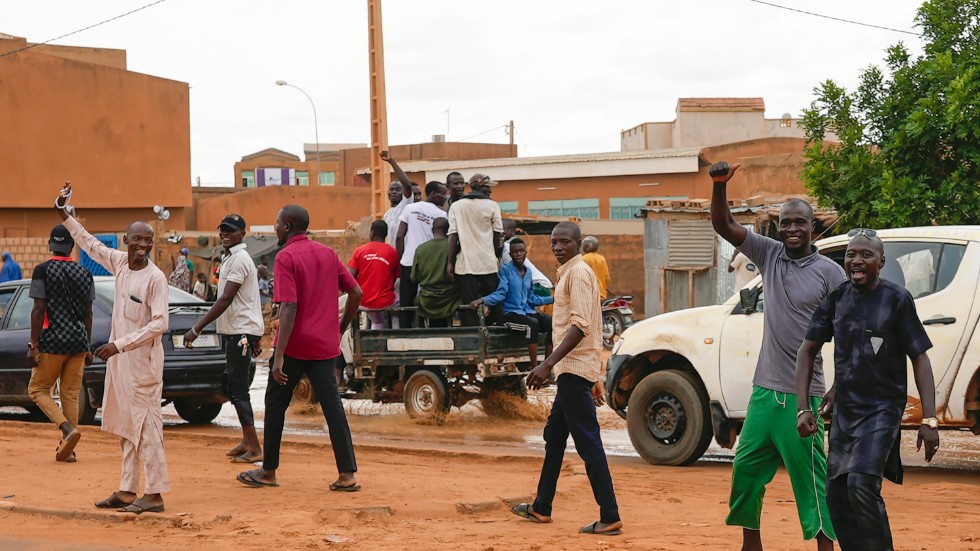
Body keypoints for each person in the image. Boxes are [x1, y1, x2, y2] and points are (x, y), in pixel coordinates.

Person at [710, 162, 843, 551]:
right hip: (764, 393)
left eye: (799, 223)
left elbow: (850, 334)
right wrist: (719, 186)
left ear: (812, 227)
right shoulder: (770, 255)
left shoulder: (829, 274)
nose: (791, 230)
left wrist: (837, 387)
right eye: (785, 223)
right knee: (746, 471)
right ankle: (751, 545)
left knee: (811, 485)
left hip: (803, 399)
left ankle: (825, 548)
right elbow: (723, 225)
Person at [796, 229, 939, 551]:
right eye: (851, 254)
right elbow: (806, 350)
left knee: (861, 486)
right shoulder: (837, 298)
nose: (856, 260)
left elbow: (920, 357)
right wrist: (804, 407)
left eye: (866, 255)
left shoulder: (897, 299)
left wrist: (930, 419)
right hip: (845, 412)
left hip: (882, 410)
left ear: (881, 262)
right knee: (837, 495)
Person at [55, 182, 170, 515]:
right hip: (121, 366)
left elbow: (159, 323)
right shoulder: (119, 263)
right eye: (137, 239)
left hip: (143, 366)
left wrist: (118, 345)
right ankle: (127, 489)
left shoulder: (155, 278)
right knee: (126, 427)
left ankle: (156, 493)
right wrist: (65, 214)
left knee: (148, 427)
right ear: (126, 241)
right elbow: (89, 244)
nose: (143, 245)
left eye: (148, 240)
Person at [236, 204, 363, 492]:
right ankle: (347, 474)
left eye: (277, 223)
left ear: (288, 227)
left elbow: (289, 306)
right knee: (332, 407)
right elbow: (356, 292)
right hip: (323, 346)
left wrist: (278, 356)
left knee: (276, 404)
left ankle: (268, 471)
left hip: (295, 345)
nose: (275, 228)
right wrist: (339, 328)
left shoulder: (286, 257)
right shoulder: (327, 253)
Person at [510, 222, 622, 536]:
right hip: (573, 371)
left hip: (571, 371)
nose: (558, 248)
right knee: (555, 437)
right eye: (553, 243)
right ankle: (541, 506)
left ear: (578, 244)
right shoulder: (569, 273)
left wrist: (547, 364)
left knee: (588, 443)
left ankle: (610, 515)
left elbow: (582, 326)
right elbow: (596, 326)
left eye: (564, 243)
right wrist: (595, 376)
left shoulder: (579, 273)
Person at [183, 213, 265, 464]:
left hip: (240, 332)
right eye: (222, 229)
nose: (225, 234)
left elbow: (226, 299)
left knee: (239, 391)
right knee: (232, 386)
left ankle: (255, 448)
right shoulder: (231, 257)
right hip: (238, 331)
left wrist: (196, 328)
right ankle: (246, 441)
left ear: (242, 234)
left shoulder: (239, 259)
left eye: (231, 230)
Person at [27, 224, 95, 463]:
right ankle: (70, 450)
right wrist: (86, 346)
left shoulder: (42, 270)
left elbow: (38, 308)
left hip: (53, 341)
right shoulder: (85, 273)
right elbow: (88, 313)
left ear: (49, 245)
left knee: (37, 389)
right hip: (78, 341)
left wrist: (34, 344)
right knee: (70, 394)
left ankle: (66, 429)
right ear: (71, 247)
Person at [471, 238, 553, 367]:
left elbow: (532, 299)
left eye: (521, 251)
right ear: (510, 255)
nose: (518, 254)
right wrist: (483, 300)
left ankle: (547, 366)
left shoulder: (528, 272)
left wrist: (554, 298)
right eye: (515, 252)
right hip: (511, 314)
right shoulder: (505, 270)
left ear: (526, 252)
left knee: (551, 323)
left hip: (526, 311)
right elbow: (501, 293)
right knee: (533, 324)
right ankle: (534, 367)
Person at [447, 173, 503, 326]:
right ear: (479, 186)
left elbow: (452, 236)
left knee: (469, 304)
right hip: (488, 264)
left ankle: (471, 336)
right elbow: (497, 237)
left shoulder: (456, 206)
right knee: (495, 301)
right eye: (487, 187)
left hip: (465, 266)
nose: (490, 191)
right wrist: (495, 256)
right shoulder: (492, 205)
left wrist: (449, 263)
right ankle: (498, 331)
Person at [396, 181, 447, 328]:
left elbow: (400, 236)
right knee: (432, 300)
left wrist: (400, 260)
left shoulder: (410, 208)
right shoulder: (441, 214)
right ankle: (435, 333)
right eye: (442, 193)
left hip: (408, 262)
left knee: (406, 303)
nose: (445, 197)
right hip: (430, 264)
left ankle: (404, 334)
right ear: (433, 194)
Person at [348, 220, 399, 329]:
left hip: (363, 300)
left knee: (377, 320)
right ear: (386, 234)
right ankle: (396, 333)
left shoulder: (359, 251)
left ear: (372, 232)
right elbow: (397, 278)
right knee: (399, 308)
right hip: (385, 301)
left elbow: (350, 277)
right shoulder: (393, 252)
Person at [412, 218, 459, 327]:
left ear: (432, 229)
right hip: (451, 298)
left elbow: (414, 278)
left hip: (427, 300)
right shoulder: (455, 247)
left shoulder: (421, 249)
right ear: (449, 230)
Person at [381, 150, 414, 246]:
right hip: (392, 254)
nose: (394, 192)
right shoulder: (387, 214)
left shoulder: (405, 205)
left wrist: (391, 161)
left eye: (398, 189)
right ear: (387, 193)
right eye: (391, 189)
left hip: (404, 255)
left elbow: (407, 184)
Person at [581, 236, 612, 301]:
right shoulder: (602, 258)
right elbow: (607, 278)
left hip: (589, 295)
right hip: (602, 295)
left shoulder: (584, 259)